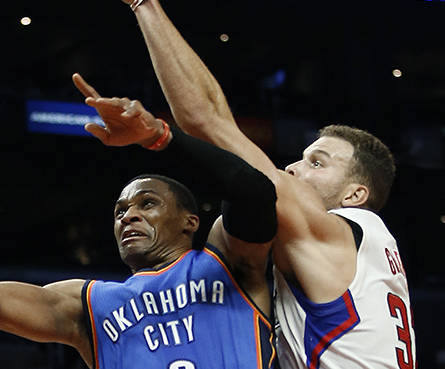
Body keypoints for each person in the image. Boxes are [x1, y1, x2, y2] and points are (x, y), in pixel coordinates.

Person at [0, 80, 278, 368]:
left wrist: (160, 137)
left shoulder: (228, 261)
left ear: (191, 221)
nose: (129, 215)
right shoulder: (90, 304)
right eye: (119, 211)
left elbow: (256, 192)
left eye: (147, 203)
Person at [115, 0, 416, 368]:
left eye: (317, 163)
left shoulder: (326, 232)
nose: (292, 168)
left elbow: (205, 120)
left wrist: (143, 5)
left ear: (355, 195)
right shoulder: (373, 251)